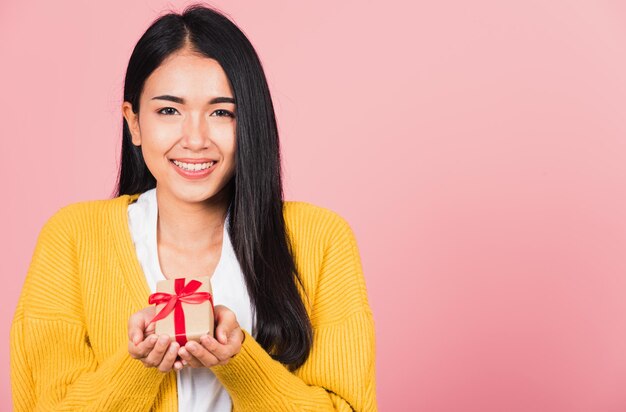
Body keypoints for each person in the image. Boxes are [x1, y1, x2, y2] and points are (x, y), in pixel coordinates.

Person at [10, 4, 377, 411]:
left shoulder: (320, 239)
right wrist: (137, 366)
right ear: (133, 122)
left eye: (222, 112)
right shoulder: (73, 237)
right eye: (169, 110)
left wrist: (241, 363)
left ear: (250, 123)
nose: (196, 138)